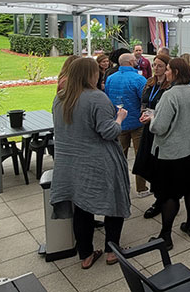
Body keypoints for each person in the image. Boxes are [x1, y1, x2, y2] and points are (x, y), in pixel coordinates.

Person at [51, 57, 130, 269]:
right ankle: (112, 251)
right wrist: (120, 118)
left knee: (82, 208)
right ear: (90, 74)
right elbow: (109, 132)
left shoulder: (60, 99)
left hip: (71, 164)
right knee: (114, 203)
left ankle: (85, 254)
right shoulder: (97, 98)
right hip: (99, 162)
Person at [140, 57, 190, 250]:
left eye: (167, 69)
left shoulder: (170, 95)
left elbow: (159, 127)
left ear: (175, 72)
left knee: (169, 195)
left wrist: (152, 119)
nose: (165, 72)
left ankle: (165, 236)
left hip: (171, 153)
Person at [105, 53, 148, 197]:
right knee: (140, 155)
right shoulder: (139, 79)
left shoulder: (110, 79)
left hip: (119, 122)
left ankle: (120, 186)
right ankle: (141, 189)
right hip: (136, 122)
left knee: (119, 156)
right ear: (130, 62)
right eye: (134, 60)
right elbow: (144, 99)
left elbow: (107, 97)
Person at [134, 54, 171, 220]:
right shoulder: (149, 83)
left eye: (160, 66)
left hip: (162, 131)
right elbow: (144, 103)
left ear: (167, 68)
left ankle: (162, 198)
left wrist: (153, 116)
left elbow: (169, 111)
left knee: (160, 166)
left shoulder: (170, 87)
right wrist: (143, 114)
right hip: (148, 129)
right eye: (155, 65)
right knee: (147, 162)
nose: (156, 68)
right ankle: (158, 196)